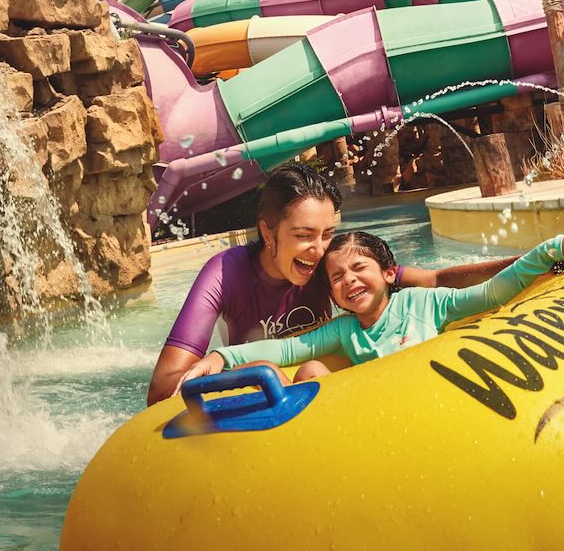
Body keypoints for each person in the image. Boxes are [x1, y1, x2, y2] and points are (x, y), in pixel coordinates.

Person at [146, 161, 519, 404]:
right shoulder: (225, 274)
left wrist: (527, 263)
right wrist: (238, 366)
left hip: (326, 391)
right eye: (305, 234)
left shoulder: (331, 267)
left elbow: (435, 279)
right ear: (268, 231)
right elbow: (162, 389)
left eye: (327, 233)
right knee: (274, 370)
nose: (319, 249)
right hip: (264, 392)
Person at [180, 227, 564, 383]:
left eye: (358, 268)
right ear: (332, 295)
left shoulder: (423, 304)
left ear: (388, 273)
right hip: (382, 421)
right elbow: (286, 350)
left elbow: (490, 294)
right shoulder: (346, 331)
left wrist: (549, 249)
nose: (349, 280)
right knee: (309, 370)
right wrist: (221, 355)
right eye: (337, 278)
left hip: (438, 399)